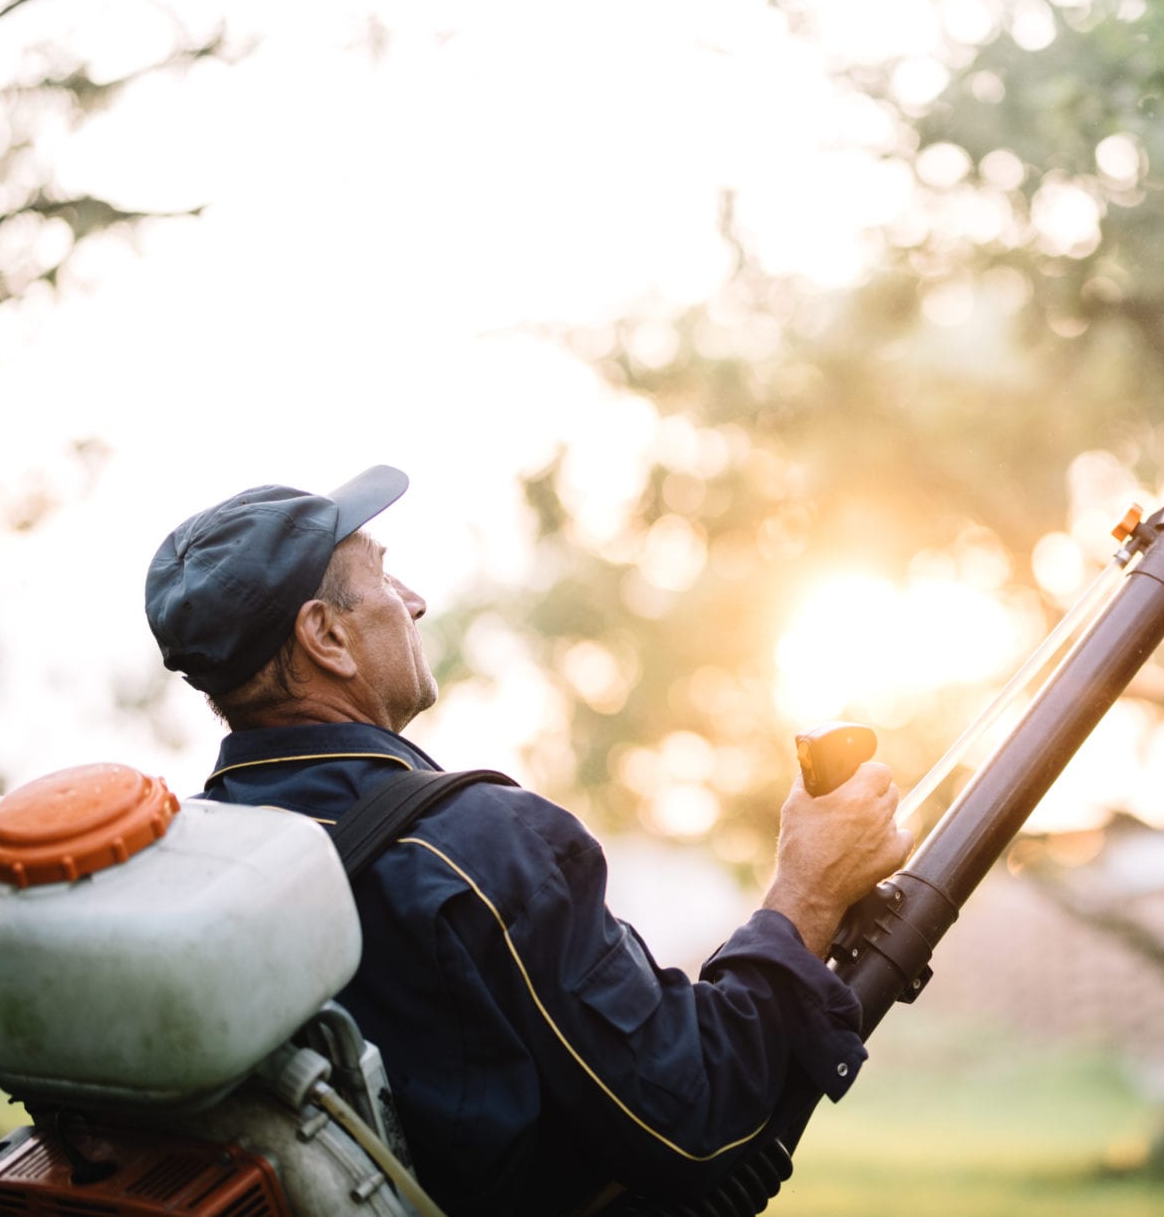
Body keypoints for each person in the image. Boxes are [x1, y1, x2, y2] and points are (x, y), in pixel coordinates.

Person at [143, 464, 910, 1216]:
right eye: (384, 576)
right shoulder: (478, 847)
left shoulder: (183, 866)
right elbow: (688, 1116)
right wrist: (807, 888)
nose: (414, 602)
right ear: (326, 635)